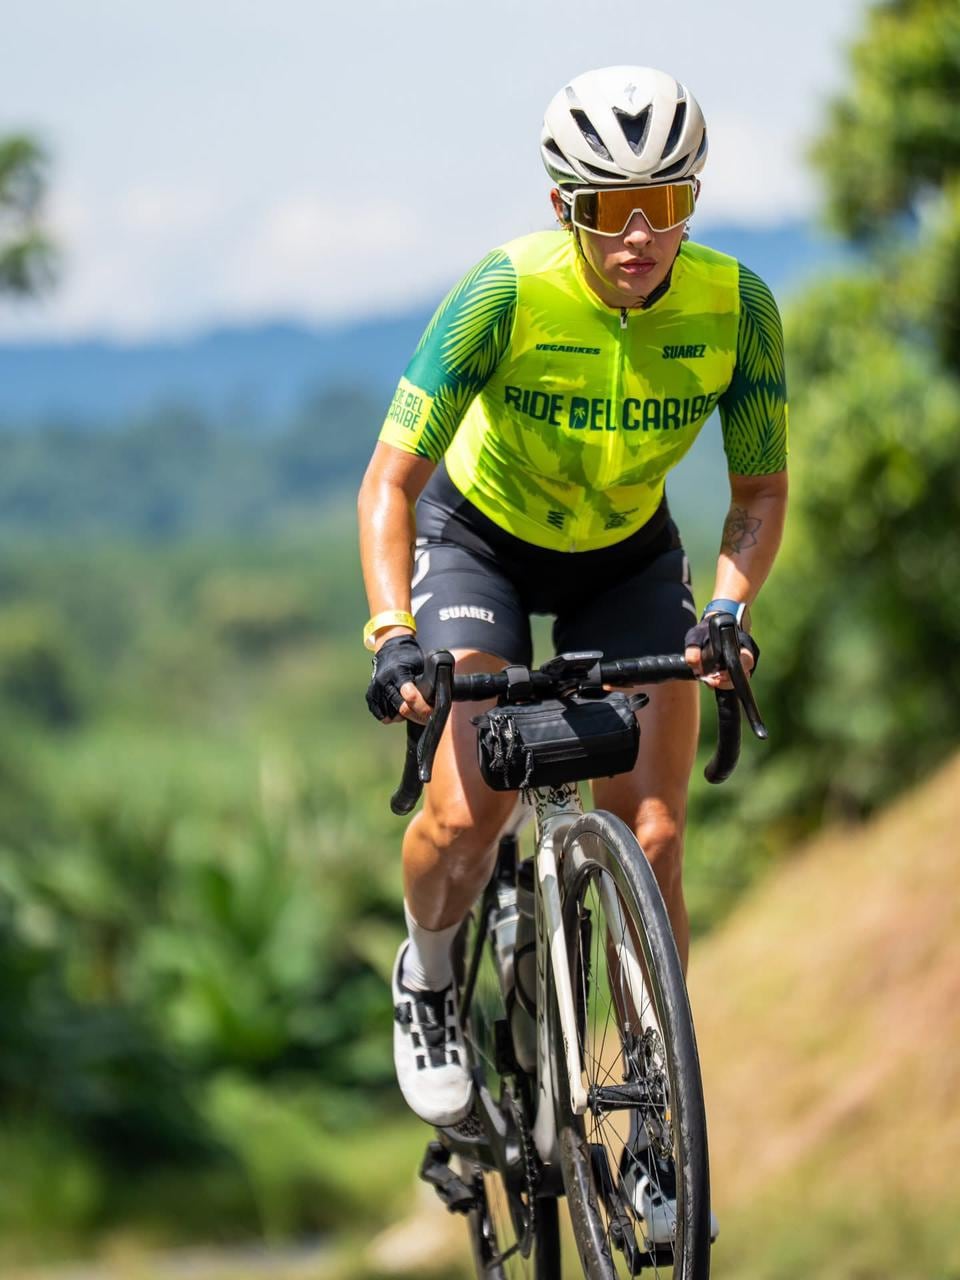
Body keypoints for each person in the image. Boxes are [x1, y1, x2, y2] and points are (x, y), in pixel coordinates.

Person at [357, 64, 788, 1239]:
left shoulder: (738, 306)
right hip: (479, 543)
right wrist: (394, 634)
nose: (639, 234)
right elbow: (391, 481)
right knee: (467, 813)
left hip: (624, 558)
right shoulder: (502, 294)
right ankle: (434, 974)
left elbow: (758, 487)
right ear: (565, 207)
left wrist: (731, 609)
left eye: (666, 199)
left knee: (651, 833)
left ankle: (651, 1115)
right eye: (608, 208)